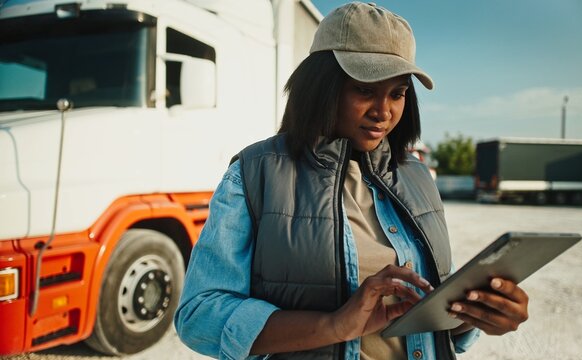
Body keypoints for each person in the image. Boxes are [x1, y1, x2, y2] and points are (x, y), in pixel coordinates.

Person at [174, 2, 529, 359]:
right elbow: (199, 316)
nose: (383, 112)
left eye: (397, 93)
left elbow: (435, 309)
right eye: (364, 90)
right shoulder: (255, 173)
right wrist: (334, 326)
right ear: (321, 86)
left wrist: (477, 315)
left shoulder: (418, 176)